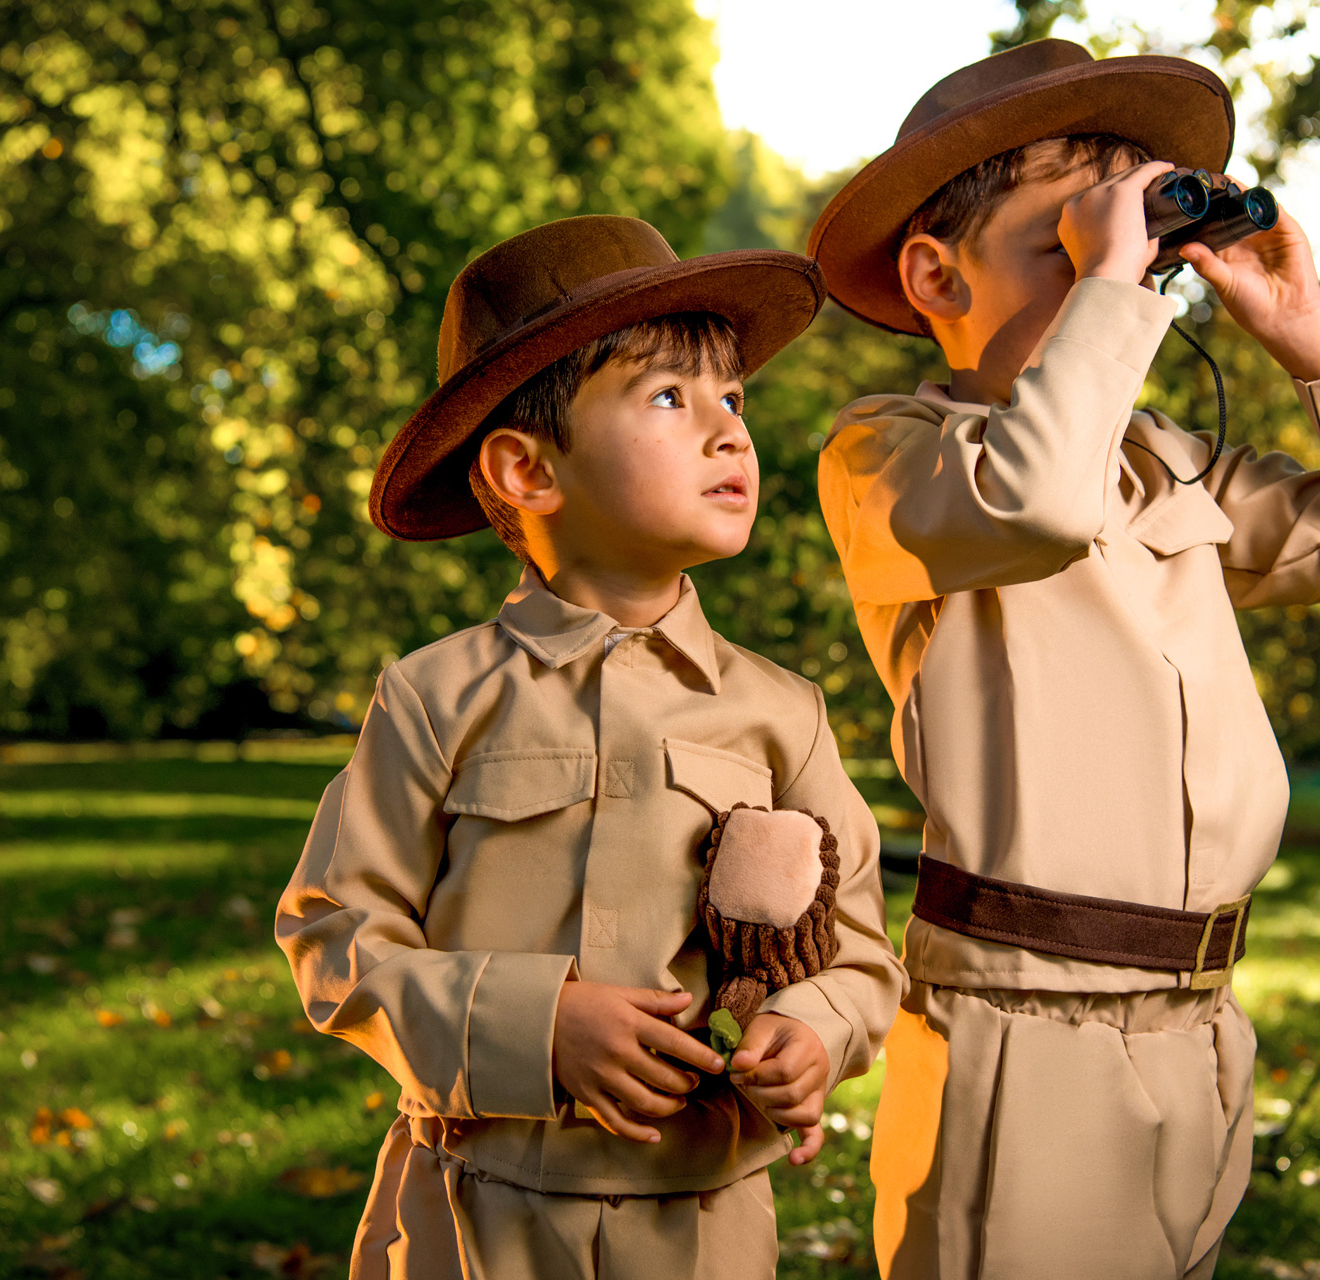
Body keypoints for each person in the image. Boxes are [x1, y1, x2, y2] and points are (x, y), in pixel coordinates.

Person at [807, 40, 1320, 1280]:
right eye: (1064, 244)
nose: (1123, 283)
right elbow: (1034, 502)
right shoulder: (889, 455)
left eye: (1140, 243)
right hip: (1026, 1032)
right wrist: (1117, 277)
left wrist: (1311, 336)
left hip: (1205, 1019)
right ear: (932, 274)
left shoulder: (1169, 462)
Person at [276, 215, 905, 1280]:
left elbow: (857, 953)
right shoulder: (434, 697)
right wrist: (536, 1027)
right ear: (527, 470)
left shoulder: (780, 711)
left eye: (734, 400)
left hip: (702, 1223)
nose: (729, 432)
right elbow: (337, 937)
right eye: (670, 396)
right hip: (470, 1217)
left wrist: (812, 1030)